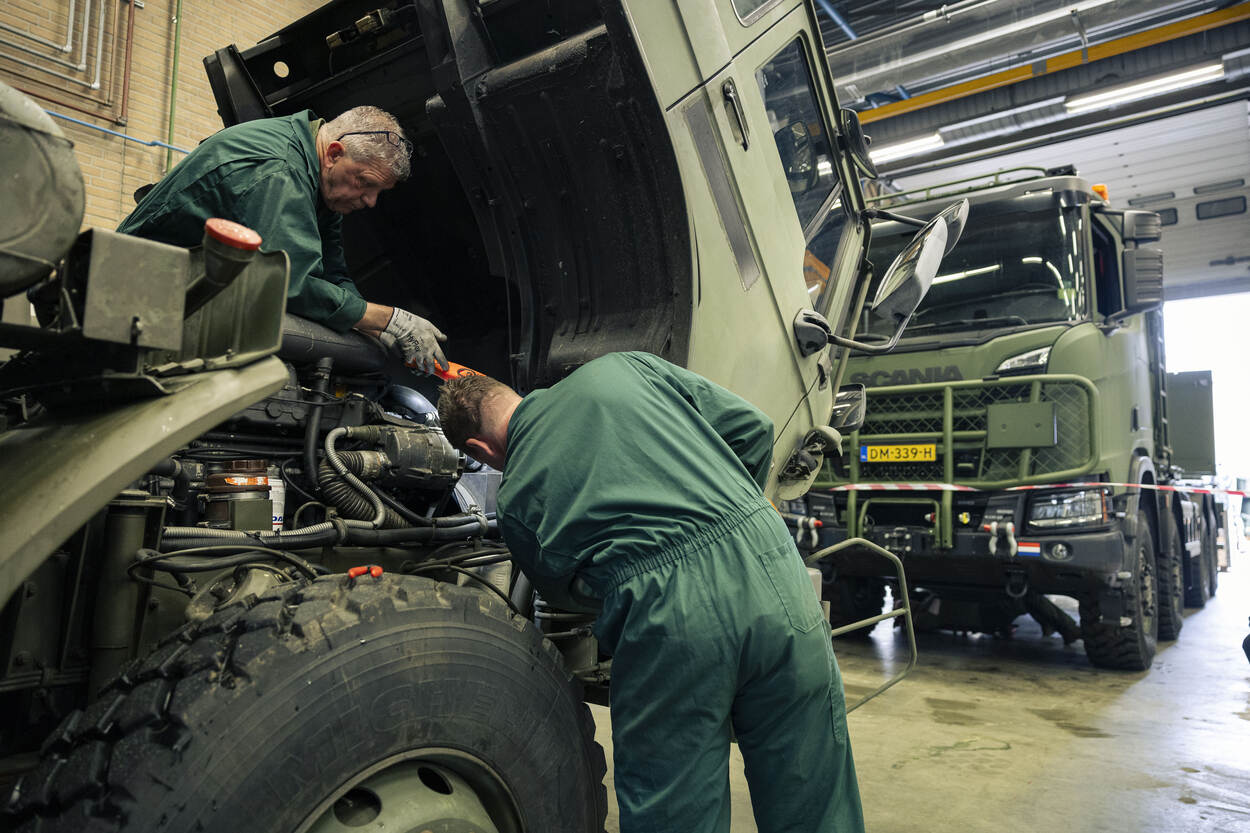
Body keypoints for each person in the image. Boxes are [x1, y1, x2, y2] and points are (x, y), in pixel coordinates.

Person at [437, 351, 864, 833]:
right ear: (509, 394)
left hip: (669, 615)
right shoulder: (624, 367)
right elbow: (753, 427)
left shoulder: (516, 500)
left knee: (674, 802)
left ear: (479, 448)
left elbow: (567, 592)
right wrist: (723, 506)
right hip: (775, 569)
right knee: (813, 787)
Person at [118, 105, 446, 373]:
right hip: (134, 305)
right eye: (365, 183)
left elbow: (332, 272)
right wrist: (388, 318)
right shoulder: (279, 169)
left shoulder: (319, 179)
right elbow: (288, 284)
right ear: (333, 153)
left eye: (378, 192)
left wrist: (374, 328)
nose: (370, 201)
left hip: (188, 299)